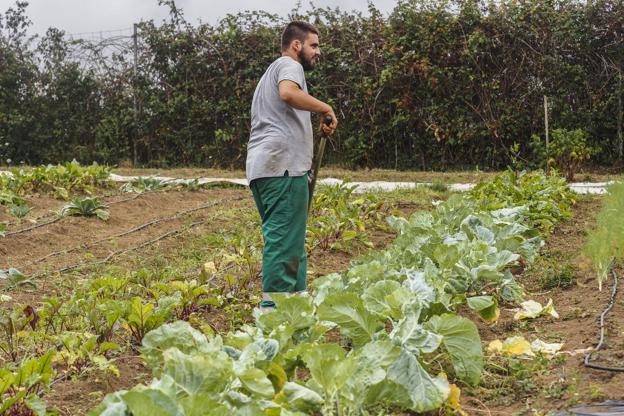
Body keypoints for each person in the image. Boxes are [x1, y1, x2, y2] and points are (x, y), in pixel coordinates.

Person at [246, 21, 337, 310]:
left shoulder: (268, 74)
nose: (318, 52)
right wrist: (324, 108)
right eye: (314, 45)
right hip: (282, 169)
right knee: (284, 244)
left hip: (268, 168)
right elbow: (288, 93)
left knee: (291, 242)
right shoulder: (289, 66)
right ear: (296, 45)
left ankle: (296, 313)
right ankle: (274, 319)